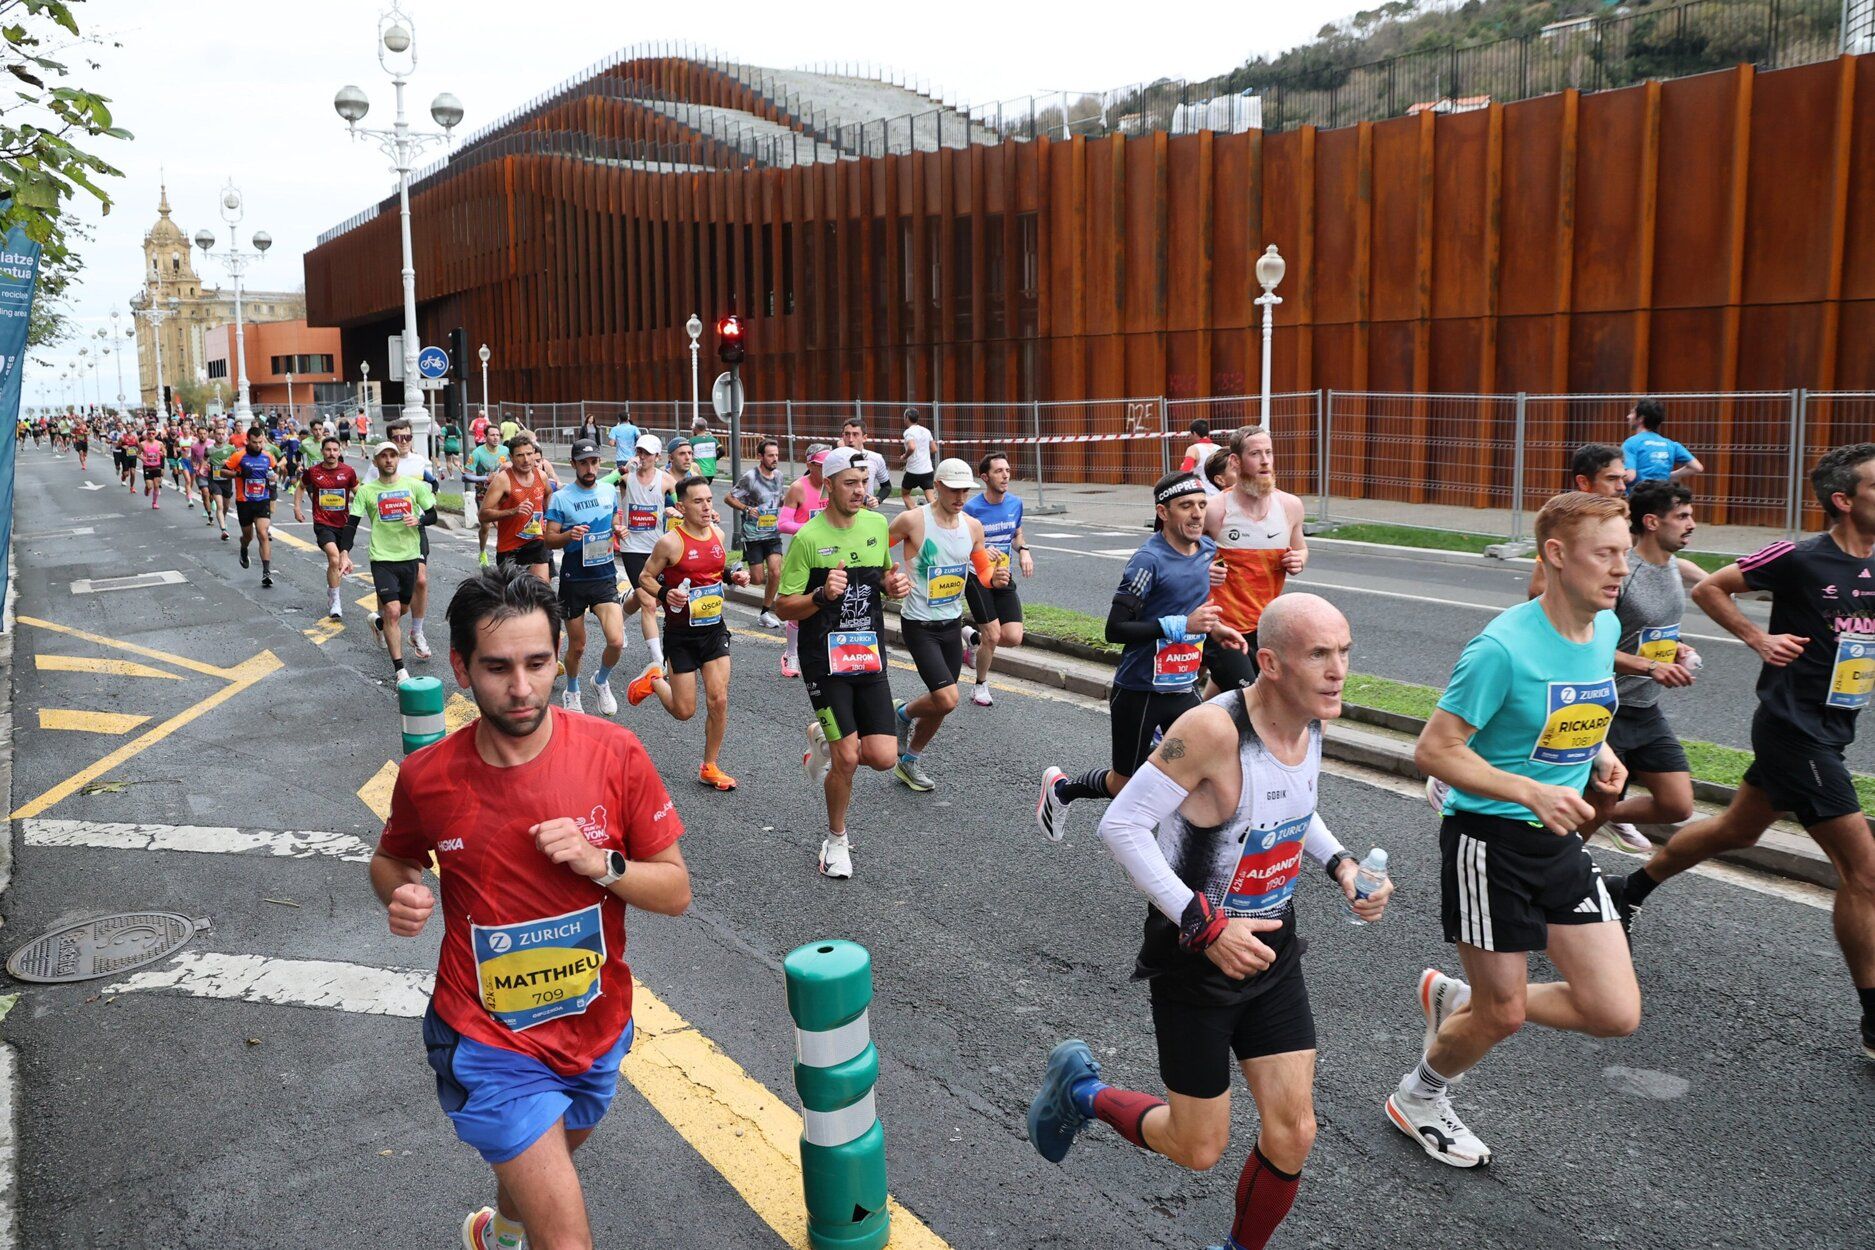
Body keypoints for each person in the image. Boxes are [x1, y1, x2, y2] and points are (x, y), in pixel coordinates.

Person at [1026, 595, 1390, 1250]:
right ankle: (1079, 1092)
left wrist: (1340, 863)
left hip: (1272, 944)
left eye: (1344, 652)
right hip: (1194, 951)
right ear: (1269, 662)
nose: (1338, 670)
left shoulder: (1310, 719)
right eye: (1319, 655)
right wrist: (1207, 924)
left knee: (1293, 1132)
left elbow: (1290, 806)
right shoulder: (1212, 730)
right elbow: (1122, 825)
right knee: (1197, 1147)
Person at [370, 567, 691, 1250]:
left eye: (538, 663)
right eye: (497, 668)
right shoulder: (428, 778)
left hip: (595, 1027)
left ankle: (500, 1231)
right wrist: (399, 892)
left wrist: (600, 863)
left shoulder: (615, 753)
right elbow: (392, 856)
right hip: (485, 1039)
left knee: (549, 1159)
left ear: (557, 658)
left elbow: (675, 890)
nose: (521, 688)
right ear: (460, 668)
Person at [1392, 491, 1636, 1169]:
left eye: (1624, 554)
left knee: (1613, 1010)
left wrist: (1600, 753)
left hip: (1555, 843)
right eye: (1604, 554)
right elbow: (1434, 750)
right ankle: (1418, 1097)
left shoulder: (1605, 630)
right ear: (1556, 556)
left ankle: (1461, 1001)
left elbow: (1577, 703)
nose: (1620, 570)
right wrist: (1529, 788)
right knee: (1502, 1018)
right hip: (1486, 843)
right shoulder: (1499, 647)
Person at [1613, 444, 1875, 1061]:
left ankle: (1630, 889)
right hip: (1793, 730)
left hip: (1834, 724)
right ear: (1844, 500)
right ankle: (1873, 1017)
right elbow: (1715, 590)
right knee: (1864, 871)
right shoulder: (1802, 555)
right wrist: (1759, 637)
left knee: (1736, 828)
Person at [1037, 473, 1249, 841]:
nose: (1197, 514)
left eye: (1202, 505)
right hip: (1139, 690)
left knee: (1199, 775)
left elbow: (1194, 610)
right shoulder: (1146, 562)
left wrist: (1216, 630)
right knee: (1124, 782)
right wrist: (1182, 625)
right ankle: (1061, 790)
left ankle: (1184, 857)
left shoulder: (1208, 553)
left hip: (1183, 687)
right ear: (1163, 512)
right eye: (1186, 506)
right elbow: (1115, 629)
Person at [775, 447, 913, 879]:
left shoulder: (875, 525)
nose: (859, 490)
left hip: (868, 655)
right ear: (828, 485)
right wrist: (820, 595)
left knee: (884, 756)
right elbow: (781, 606)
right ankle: (836, 840)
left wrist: (894, 584)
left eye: (864, 482)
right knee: (848, 759)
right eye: (850, 483)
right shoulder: (808, 539)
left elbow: (885, 578)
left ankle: (822, 739)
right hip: (823, 661)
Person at [1584, 481, 1706, 854]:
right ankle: (1555, 870)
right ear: (1652, 522)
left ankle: (1609, 816)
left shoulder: (1672, 568)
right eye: (1682, 516)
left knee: (1677, 804)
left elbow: (1648, 632)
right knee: (1590, 812)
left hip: (1646, 710)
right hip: (1609, 709)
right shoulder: (1624, 574)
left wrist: (1676, 648)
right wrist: (1651, 666)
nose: (1692, 524)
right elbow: (1590, 644)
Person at [887, 458, 1002, 791]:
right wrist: (888, 579)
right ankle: (903, 713)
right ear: (936, 486)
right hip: (919, 624)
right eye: (953, 489)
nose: (960, 496)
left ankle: (909, 762)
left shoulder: (972, 527)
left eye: (965, 490)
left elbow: (983, 575)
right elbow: (877, 547)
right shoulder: (912, 520)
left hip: (952, 623)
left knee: (942, 702)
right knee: (948, 697)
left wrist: (996, 573)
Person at [632, 475, 750, 790]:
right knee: (685, 711)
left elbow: (713, 569)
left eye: (709, 500)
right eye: (698, 501)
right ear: (682, 507)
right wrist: (664, 594)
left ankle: (709, 766)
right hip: (681, 635)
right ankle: (654, 680)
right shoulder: (670, 543)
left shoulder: (718, 533)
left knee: (719, 698)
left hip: (713, 631)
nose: (706, 506)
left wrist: (732, 575)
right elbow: (645, 577)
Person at [1203, 427, 1308, 694]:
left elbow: (1301, 549)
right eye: (1255, 454)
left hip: (1266, 627)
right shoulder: (1215, 509)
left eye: (1269, 452)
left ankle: (1189, 728)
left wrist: (1298, 560)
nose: (1265, 460)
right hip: (1222, 626)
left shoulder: (1290, 506)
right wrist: (1204, 569)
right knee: (1253, 698)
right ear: (1236, 462)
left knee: (1232, 697)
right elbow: (1183, 559)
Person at [541, 440, 626, 716]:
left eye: (594, 462)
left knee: (615, 640)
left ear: (600, 463)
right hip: (574, 578)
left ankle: (600, 681)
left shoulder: (608, 491)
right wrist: (569, 535)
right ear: (574, 464)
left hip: (603, 575)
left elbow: (612, 521)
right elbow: (549, 539)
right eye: (583, 463)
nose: (590, 468)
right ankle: (572, 689)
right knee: (578, 647)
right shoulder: (561, 497)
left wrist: (618, 530)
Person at [353, 440, 437, 684]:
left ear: (397, 459)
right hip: (381, 557)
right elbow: (352, 522)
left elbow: (432, 514)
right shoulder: (367, 490)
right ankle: (400, 671)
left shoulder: (413, 485)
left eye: (392, 455)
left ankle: (379, 624)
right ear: (375, 461)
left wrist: (419, 520)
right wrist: (345, 553)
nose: (388, 459)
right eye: (383, 456)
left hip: (409, 554)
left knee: (402, 609)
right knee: (391, 610)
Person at [960, 451, 1033, 707]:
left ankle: (974, 641)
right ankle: (980, 686)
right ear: (984, 477)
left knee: (1013, 636)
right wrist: (979, 549)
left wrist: (1023, 550)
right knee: (993, 635)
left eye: (1008, 471)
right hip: (976, 575)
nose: (1005, 476)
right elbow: (959, 542)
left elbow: (1017, 533)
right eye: (998, 471)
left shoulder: (1015, 503)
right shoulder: (971, 508)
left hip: (1003, 575)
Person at [605, 435, 675, 673]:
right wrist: (617, 524)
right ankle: (659, 661)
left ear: (658, 457)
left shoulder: (666, 481)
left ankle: (619, 620)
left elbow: (678, 506)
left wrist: (674, 511)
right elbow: (602, 486)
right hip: (632, 548)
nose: (642, 457)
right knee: (648, 601)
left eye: (647, 453)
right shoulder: (626, 477)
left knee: (646, 596)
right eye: (639, 452)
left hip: (657, 548)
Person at [1525, 443, 1629, 599]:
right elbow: (1538, 589)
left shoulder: (1621, 518)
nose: (1621, 487)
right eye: (1612, 479)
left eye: (1623, 479)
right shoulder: (1566, 521)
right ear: (1584, 482)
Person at [389, 418, 443, 661]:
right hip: (388, 534)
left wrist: (425, 506)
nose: (403, 442)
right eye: (398, 437)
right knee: (399, 602)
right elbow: (365, 490)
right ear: (390, 439)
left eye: (407, 437)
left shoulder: (419, 461)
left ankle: (417, 632)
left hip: (415, 528)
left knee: (421, 580)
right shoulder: (383, 460)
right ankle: (383, 622)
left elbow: (433, 484)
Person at [776, 447, 831, 678]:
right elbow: (783, 523)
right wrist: (811, 529)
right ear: (810, 465)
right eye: (821, 465)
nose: (826, 470)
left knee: (828, 604)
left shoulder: (832, 485)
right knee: (798, 606)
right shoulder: (799, 488)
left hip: (829, 553)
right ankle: (791, 654)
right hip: (804, 553)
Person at [295, 436, 361, 620]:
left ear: (339, 452)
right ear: (322, 451)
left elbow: (360, 493)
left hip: (344, 524)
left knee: (339, 561)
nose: (331, 453)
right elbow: (301, 487)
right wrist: (297, 508)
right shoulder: (313, 472)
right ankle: (336, 601)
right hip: (323, 523)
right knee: (334, 559)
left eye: (335, 450)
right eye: (328, 450)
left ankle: (332, 590)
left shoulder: (348, 472)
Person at [726, 437, 786, 628]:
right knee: (758, 578)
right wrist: (746, 508)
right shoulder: (750, 478)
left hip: (773, 532)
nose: (774, 459)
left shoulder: (779, 476)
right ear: (760, 456)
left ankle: (764, 613)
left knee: (776, 572)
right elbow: (729, 498)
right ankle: (737, 568)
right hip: (753, 534)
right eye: (770, 455)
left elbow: (777, 499)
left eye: (776, 455)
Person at [481, 436, 552, 583]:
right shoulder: (503, 480)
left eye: (529, 454)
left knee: (542, 589)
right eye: (520, 455)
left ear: (534, 453)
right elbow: (483, 515)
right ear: (511, 457)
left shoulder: (542, 476)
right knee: (514, 599)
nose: (526, 460)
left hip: (536, 541)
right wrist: (513, 511)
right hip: (510, 547)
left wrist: (548, 518)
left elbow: (548, 493)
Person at [221, 425, 281, 587]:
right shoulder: (239, 456)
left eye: (260, 442)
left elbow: (275, 472)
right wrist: (239, 474)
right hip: (245, 502)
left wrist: (274, 477)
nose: (258, 445)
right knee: (248, 536)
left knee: (262, 533)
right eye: (255, 442)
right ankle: (243, 548)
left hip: (262, 500)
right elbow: (222, 472)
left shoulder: (268, 456)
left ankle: (266, 572)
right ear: (248, 441)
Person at [1622, 398, 1702, 486]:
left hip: (1638, 496)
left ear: (1641, 418)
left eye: (1632, 413)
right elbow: (1697, 467)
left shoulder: (1631, 443)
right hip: (1663, 495)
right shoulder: (1671, 444)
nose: (1628, 416)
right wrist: (1669, 476)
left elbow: (1629, 476)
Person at [466, 425, 511, 567]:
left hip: (501, 491)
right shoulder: (477, 453)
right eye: (492, 435)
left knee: (502, 525)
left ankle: (506, 553)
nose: (496, 437)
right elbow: (467, 475)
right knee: (485, 526)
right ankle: (482, 552)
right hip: (483, 492)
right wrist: (485, 478)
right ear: (486, 437)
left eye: (498, 435)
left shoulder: (506, 451)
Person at [840, 418, 893, 507]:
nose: (850, 439)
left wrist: (878, 499)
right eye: (847, 434)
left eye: (855, 434)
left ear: (864, 438)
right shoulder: (834, 459)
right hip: (841, 510)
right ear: (843, 436)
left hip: (865, 509)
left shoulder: (876, 458)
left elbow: (886, 486)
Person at [201, 420, 235, 540]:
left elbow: (236, 462)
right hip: (214, 480)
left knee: (225, 506)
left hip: (227, 480)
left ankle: (223, 519)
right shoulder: (209, 449)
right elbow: (204, 459)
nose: (221, 436)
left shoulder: (231, 449)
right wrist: (202, 468)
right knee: (219, 505)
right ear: (214, 435)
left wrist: (229, 463)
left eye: (222, 434)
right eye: (218, 434)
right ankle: (223, 529)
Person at [899, 407, 938, 507]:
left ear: (907, 417)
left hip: (913, 471)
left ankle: (914, 514)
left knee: (905, 494)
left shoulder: (908, 432)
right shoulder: (926, 431)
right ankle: (938, 516)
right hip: (927, 470)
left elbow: (911, 447)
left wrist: (905, 456)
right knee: (931, 498)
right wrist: (923, 452)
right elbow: (934, 449)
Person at [607, 410, 641, 477]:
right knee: (632, 477)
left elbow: (612, 443)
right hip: (632, 458)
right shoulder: (634, 428)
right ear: (628, 418)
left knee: (622, 478)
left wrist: (615, 441)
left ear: (619, 419)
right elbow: (640, 438)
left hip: (621, 458)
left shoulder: (615, 429)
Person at [139, 424, 165, 508]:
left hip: (157, 466)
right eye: (149, 434)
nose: (151, 435)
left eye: (153, 434)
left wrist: (163, 454)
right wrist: (142, 458)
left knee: (156, 485)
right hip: (147, 467)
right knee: (149, 486)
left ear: (155, 434)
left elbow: (165, 453)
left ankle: (154, 503)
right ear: (146, 435)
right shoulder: (142, 444)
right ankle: (147, 489)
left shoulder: (160, 444)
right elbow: (138, 454)